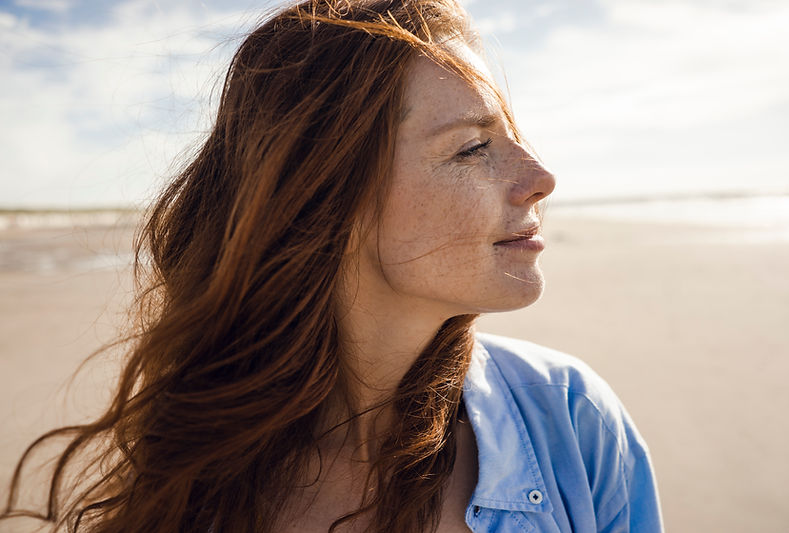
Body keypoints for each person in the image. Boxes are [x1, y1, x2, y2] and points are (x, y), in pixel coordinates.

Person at [1, 0, 663, 531]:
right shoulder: (195, 478)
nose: (540, 177)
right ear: (326, 198)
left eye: (514, 139)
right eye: (472, 148)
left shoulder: (570, 420)